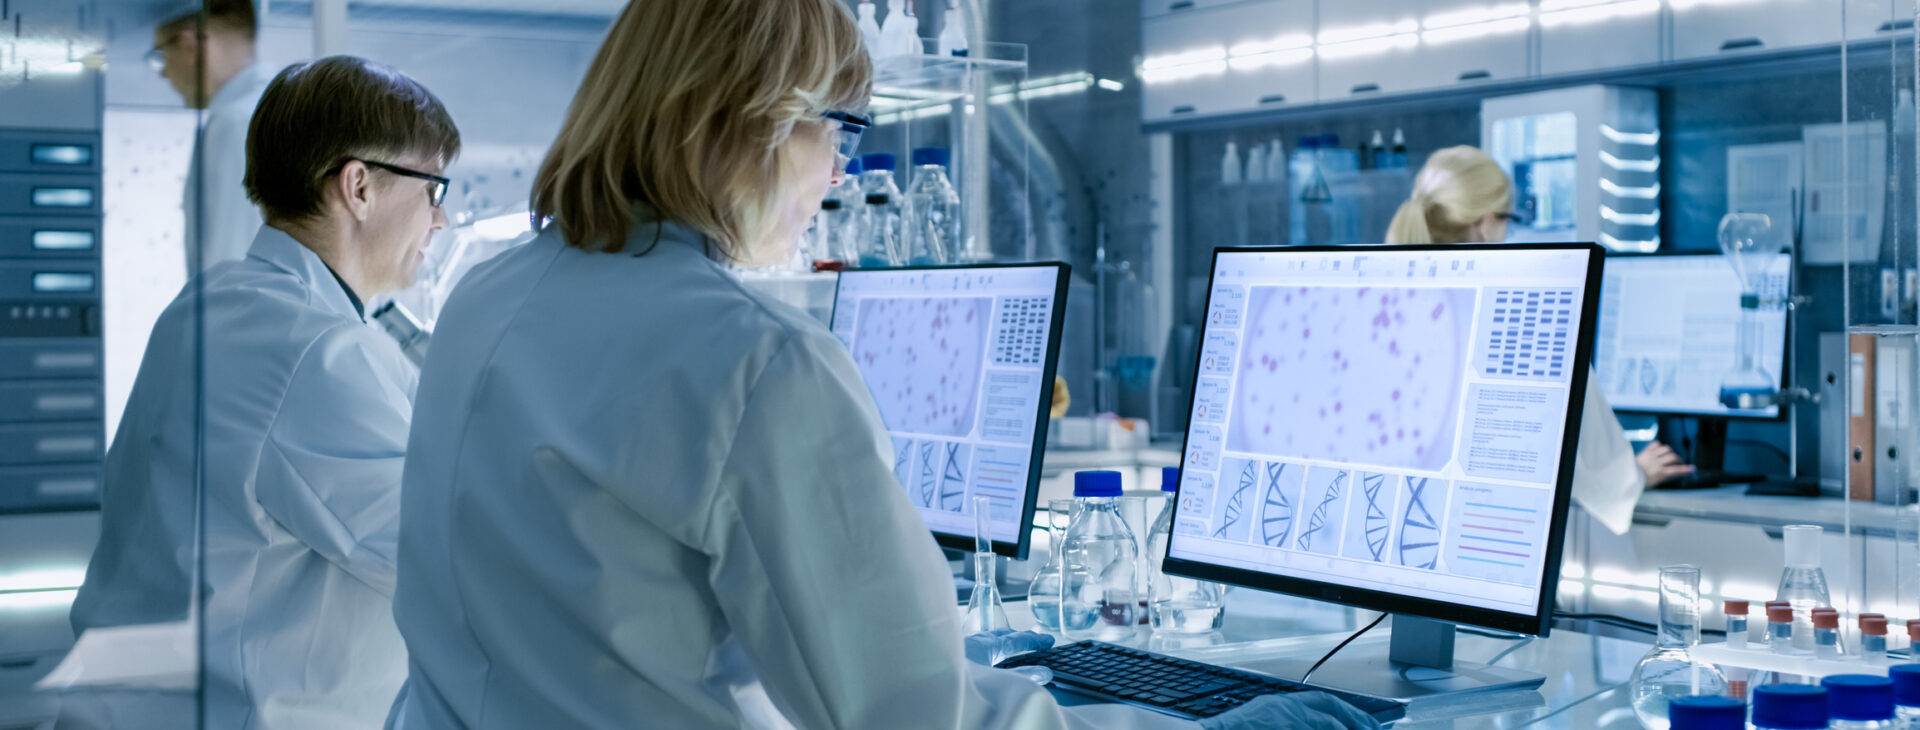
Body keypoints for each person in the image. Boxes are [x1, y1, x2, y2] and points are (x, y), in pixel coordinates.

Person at [384, 1, 1372, 728]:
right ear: (756, 118)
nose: (843, 171)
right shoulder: (752, 361)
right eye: (842, 130)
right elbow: (916, 717)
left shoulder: (491, 294)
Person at [69, 56, 460, 729]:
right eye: (434, 189)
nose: (441, 221)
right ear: (358, 187)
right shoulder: (318, 351)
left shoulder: (211, 302)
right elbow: (441, 561)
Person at [1385, 145, 1693, 534]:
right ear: (1484, 223)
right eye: (1507, 218)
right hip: (1490, 543)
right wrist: (1636, 474)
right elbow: (1593, 462)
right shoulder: (1524, 319)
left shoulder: (1391, 310)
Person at [148, 0, 272, 275]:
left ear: (189, 44)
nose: (166, 73)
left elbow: (226, 270)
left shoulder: (235, 123)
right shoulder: (273, 110)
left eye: (162, 54)